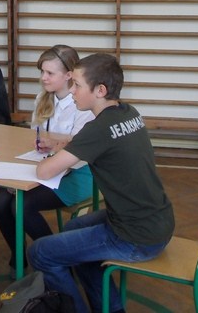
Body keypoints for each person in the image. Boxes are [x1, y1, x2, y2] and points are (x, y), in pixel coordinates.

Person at [28, 53, 174, 313]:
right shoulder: (128, 112)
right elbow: (94, 142)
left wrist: (51, 155)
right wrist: (65, 144)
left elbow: (44, 171)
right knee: (73, 227)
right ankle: (111, 308)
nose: (72, 91)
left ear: (100, 91)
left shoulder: (97, 130)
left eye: (77, 85)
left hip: (135, 236)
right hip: (156, 220)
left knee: (40, 252)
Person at [0, 45, 94, 277]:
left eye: (49, 73)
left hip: (76, 174)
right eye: (42, 72)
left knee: (21, 205)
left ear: (68, 75)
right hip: (44, 168)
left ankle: (57, 259)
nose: (43, 78)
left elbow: (78, 149)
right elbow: (35, 136)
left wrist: (55, 145)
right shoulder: (42, 98)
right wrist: (42, 145)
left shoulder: (83, 105)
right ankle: (17, 254)